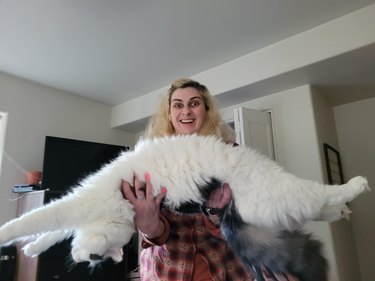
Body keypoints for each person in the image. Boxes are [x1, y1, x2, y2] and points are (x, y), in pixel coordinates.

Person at [122, 78, 298, 281]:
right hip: (165, 271)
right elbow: (154, 226)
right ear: (169, 115)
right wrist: (150, 227)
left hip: (225, 268)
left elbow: (249, 222)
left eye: (194, 103)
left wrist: (219, 216)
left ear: (206, 111)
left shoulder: (230, 154)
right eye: (178, 105)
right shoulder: (150, 159)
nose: (186, 111)